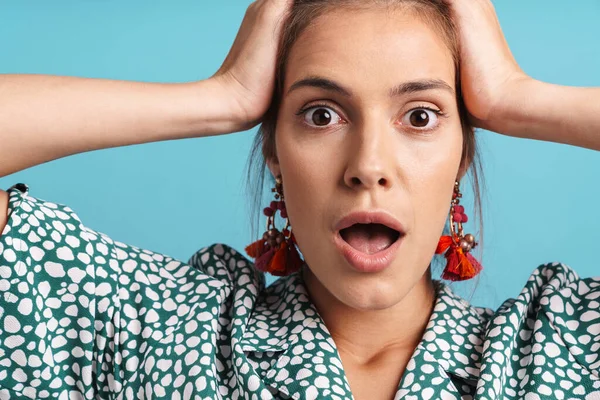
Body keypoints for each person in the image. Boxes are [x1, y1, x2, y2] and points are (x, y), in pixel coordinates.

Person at [0, 0, 599, 399]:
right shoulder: (157, 333)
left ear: (462, 154)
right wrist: (222, 98)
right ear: (275, 152)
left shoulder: (564, 350)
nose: (368, 166)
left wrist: (517, 98)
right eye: (322, 115)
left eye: (419, 116)